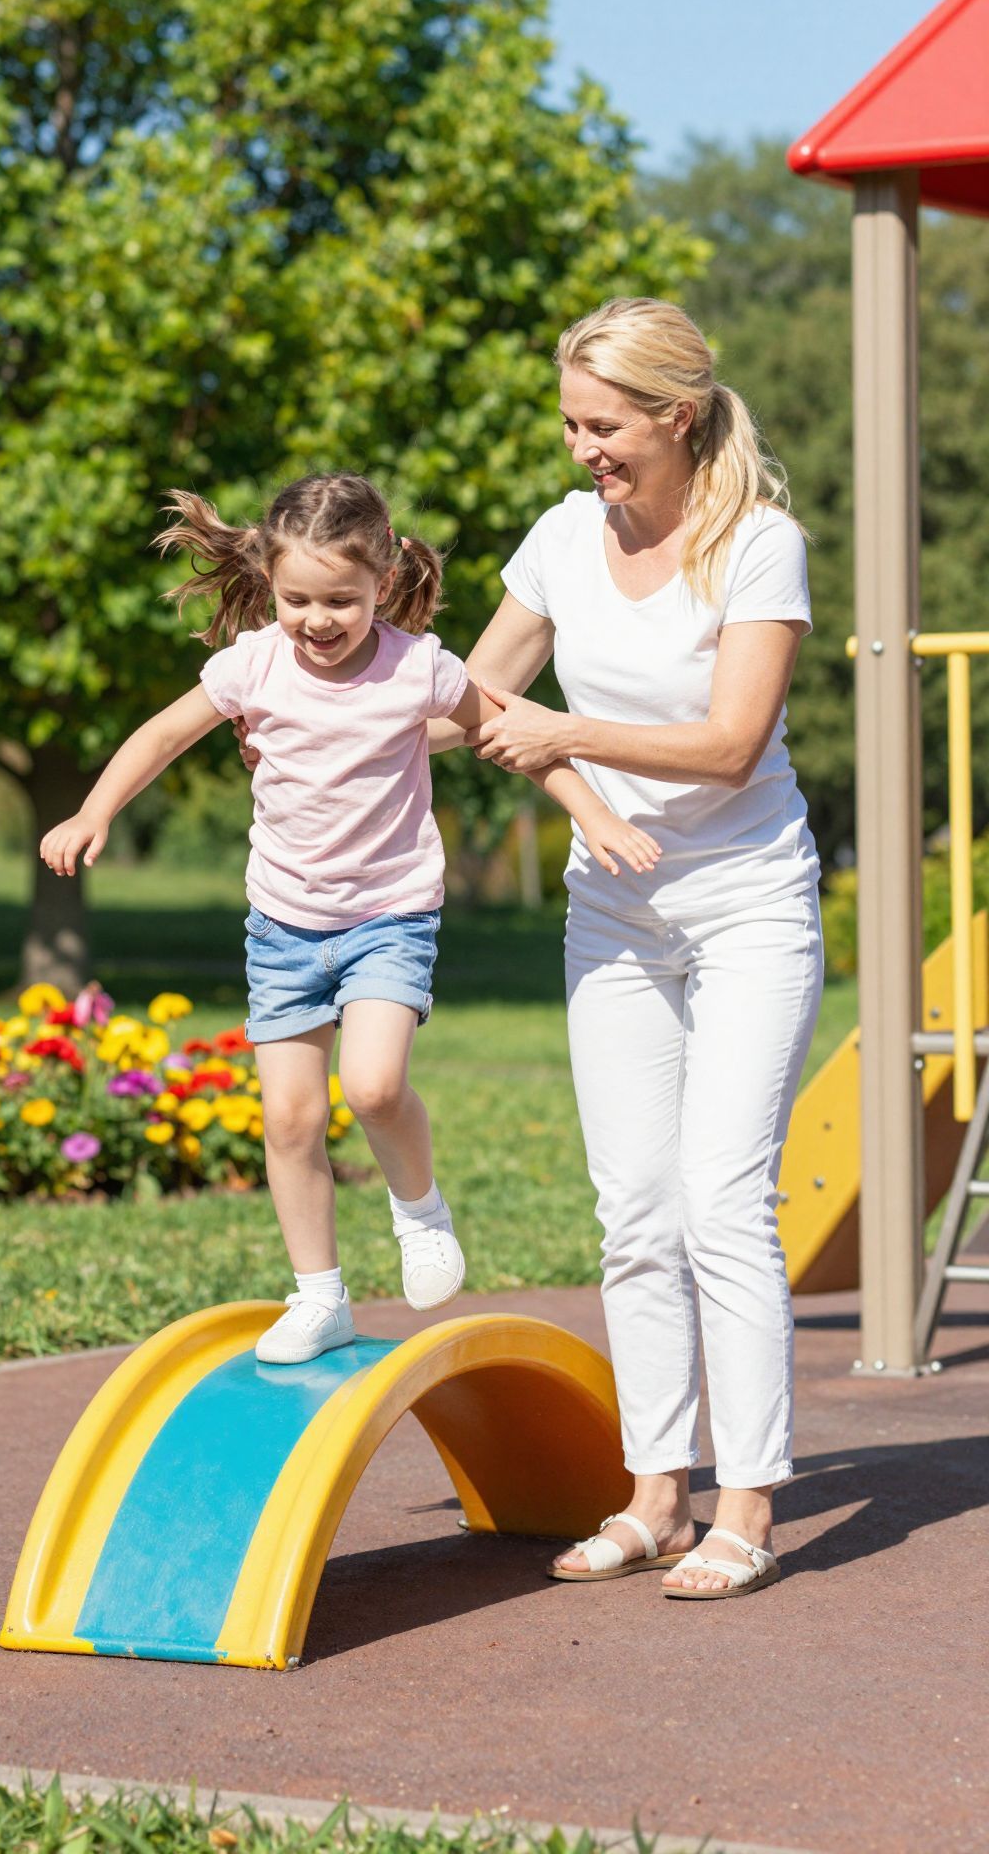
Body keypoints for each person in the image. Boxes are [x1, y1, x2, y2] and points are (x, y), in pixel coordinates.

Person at [40, 471, 659, 1366]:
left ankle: (421, 1213)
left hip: (388, 916)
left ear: (383, 581)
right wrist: (93, 811)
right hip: (283, 922)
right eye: (297, 599)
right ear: (268, 583)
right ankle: (319, 1295)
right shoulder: (251, 663)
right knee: (290, 1121)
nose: (317, 620)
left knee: (371, 1086)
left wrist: (593, 813)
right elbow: (161, 736)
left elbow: (517, 733)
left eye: (341, 598)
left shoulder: (421, 667)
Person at [432, 298, 823, 1598]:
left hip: (748, 899)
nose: (584, 449)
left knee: (722, 1199)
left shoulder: (758, 547)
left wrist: (567, 738)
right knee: (635, 1212)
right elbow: (476, 695)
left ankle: (749, 1506)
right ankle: (655, 1493)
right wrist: (324, 683)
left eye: (604, 426)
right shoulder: (560, 539)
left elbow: (727, 742)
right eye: (571, 424)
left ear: (678, 416)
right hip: (613, 907)